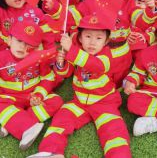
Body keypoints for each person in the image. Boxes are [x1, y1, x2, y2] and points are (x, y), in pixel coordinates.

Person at [30, 14, 132, 158]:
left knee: (114, 130)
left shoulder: (105, 55)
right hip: (80, 101)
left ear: (106, 40)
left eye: (98, 38)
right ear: (80, 38)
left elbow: (96, 66)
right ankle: (51, 152)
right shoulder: (77, 52)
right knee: (62, 117)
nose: (92, 42)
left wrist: (71, 50)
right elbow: (66, 73)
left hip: (104, 101)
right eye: (88, 36)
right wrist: (61, 63)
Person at [0, 21, 63, 150]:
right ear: (9, 40)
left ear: (37, 48)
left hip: (33, 97)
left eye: (29, 44)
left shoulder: (39, 58)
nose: (22, 47)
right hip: (11, 98)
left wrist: (38, 95)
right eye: (19, 41)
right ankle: (28, 127)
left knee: (56, 100)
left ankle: (13, 122)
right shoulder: (1, 57)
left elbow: (48, 79)